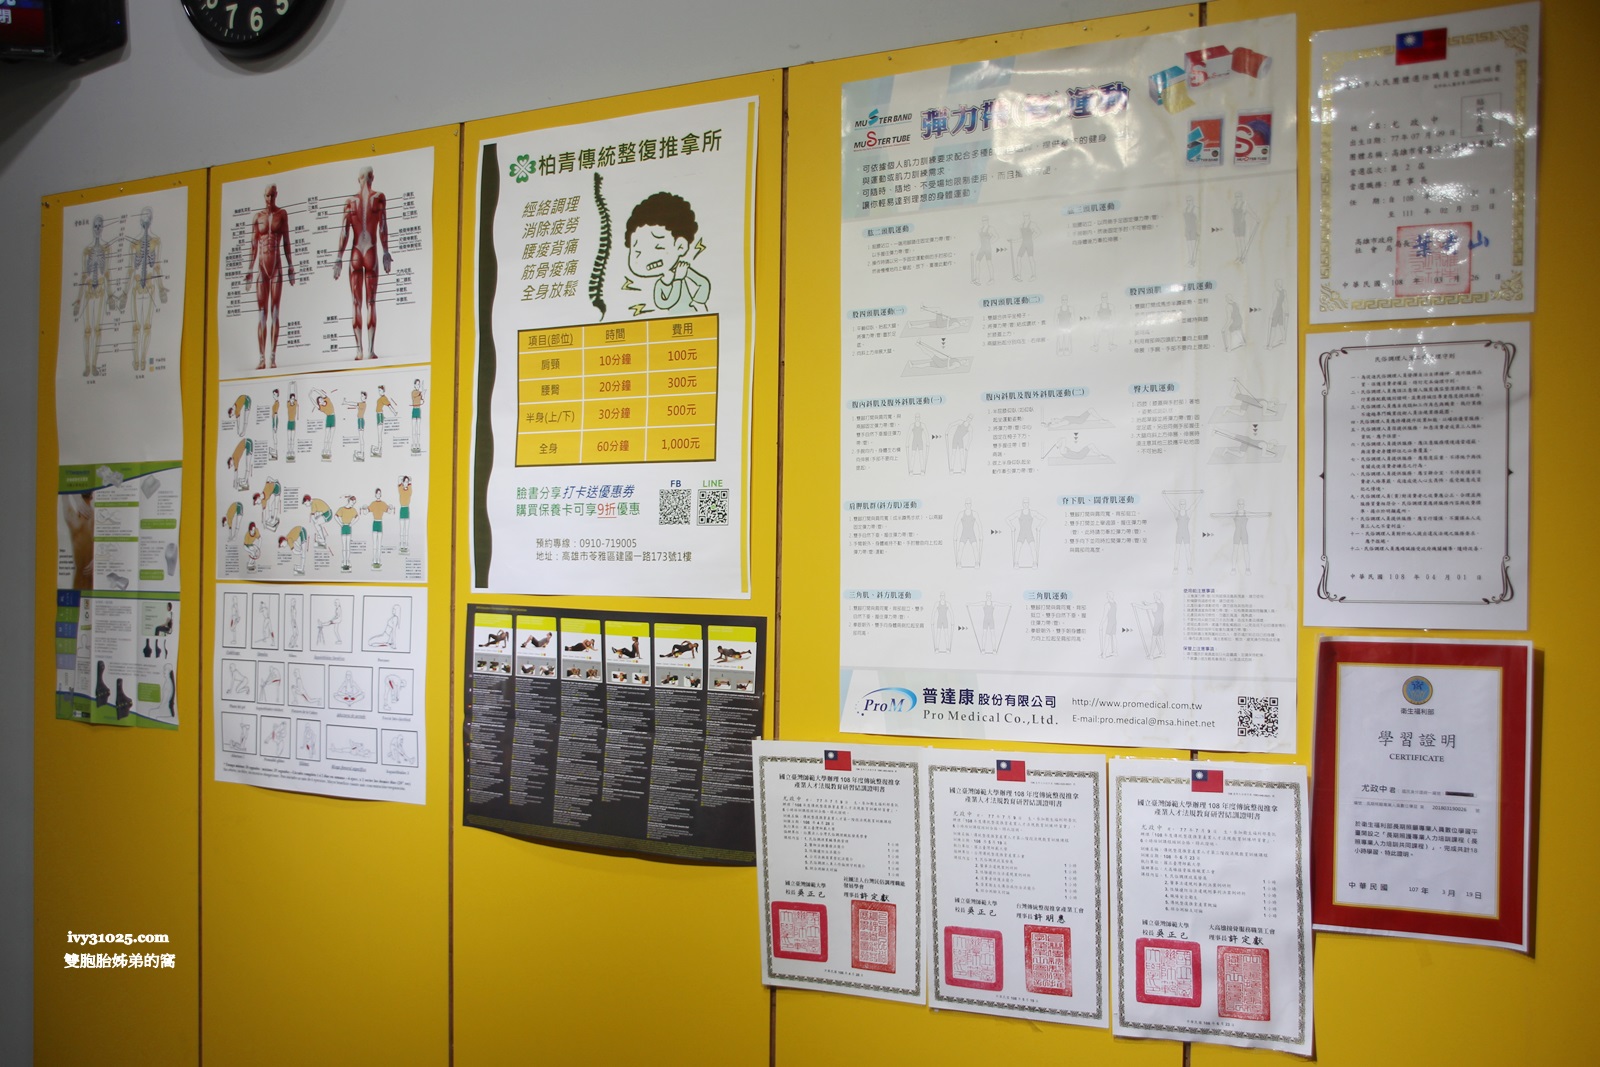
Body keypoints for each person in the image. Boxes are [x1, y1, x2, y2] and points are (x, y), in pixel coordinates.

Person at [331, 166, 391, 360]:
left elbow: (344, 232)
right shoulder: (378, 198)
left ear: (358, 179)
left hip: (356, 251)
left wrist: (339, 258)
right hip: (370, 250)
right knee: (370, 303)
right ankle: (370, 350)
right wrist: (386, 252)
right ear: (372, 178)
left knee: (356, 303)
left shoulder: (350, 202)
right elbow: (382, 227)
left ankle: (359, 350)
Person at [625, 192, 710, 313]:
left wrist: (698, 302)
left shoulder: (681, 269)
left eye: (658, 247)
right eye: (637, 251)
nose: (646, 258)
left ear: (680, 246)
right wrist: (677, 280)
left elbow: (703, 283)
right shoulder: (662, 282)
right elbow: (665, 303)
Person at [246, 184, 296, 370]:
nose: (269, 199)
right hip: (261, 268)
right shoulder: (257, 217)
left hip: (276, 268)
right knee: (262, 313)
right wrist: (249, 269)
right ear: (264, 196)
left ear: (276, 195)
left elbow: (286, 242)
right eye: (267, 196)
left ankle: (272, 357)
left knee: (275, 312)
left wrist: (291, 266)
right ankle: (261, 358)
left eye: (272, 196)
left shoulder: (282, 214)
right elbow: (253, 245)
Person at [119, 206, 169, 372]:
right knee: (136, 326)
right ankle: (136, 362)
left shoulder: (156, 242)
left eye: (147, 217)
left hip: (149, 285)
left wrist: (161, 289)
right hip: (136, 286)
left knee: (146, 326)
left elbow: (157, 266)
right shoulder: (134, 245)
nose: (145, 220)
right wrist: (125, 293)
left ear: (151, 219)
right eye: (143, 217)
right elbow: (130, 269)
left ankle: (142, 361)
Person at [71, 215, 112, 377]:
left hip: (100, 289)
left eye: (99, 226)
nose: (97, 229)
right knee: (87, 330)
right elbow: (83, 276)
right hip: (88, 290)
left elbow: (107, 273)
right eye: (95, 226)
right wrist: (78, 300)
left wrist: (110, 295)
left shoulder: (106, 249)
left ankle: (94, 365)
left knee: (98, 329)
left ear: (102, 228)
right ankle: (87, 365)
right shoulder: (86, 251)